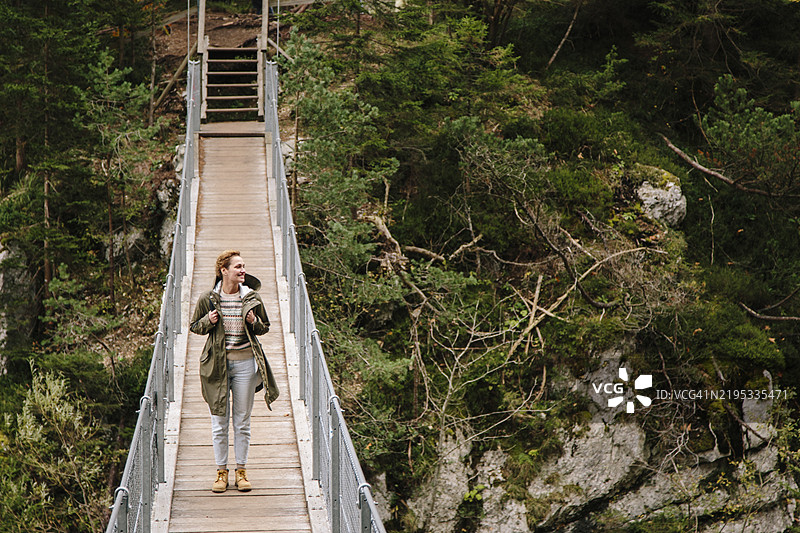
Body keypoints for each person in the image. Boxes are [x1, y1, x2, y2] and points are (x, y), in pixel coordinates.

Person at [190, 250, 279, 493]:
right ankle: (221, 472)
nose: (242, 270)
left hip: (246, 365)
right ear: (224, 270)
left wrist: (253, 322)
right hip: (217, 366)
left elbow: (264, 328)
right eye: (238, 266)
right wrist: (209, 320)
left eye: (243, 266)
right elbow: (194, 326)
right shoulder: (208, 298)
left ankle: (241, 471)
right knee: (219, 421)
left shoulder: (252, 297)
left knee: (242, 421)